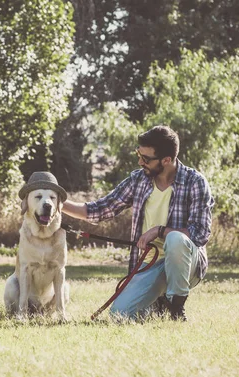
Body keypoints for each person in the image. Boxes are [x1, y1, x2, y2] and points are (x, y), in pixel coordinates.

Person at [62, 126, 214, 321]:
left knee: (176, 239)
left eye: (146, 159)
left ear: (166, 160)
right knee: (120, 315)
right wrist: (58, 203)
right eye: (139, 155)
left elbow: (200, 234)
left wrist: (160, 231)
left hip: (186, 264)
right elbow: (100, 209)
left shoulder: (195, 182)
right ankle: (159, 303)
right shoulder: (139, 180)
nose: (140, 161)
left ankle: (176, 308)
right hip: (150, 263)